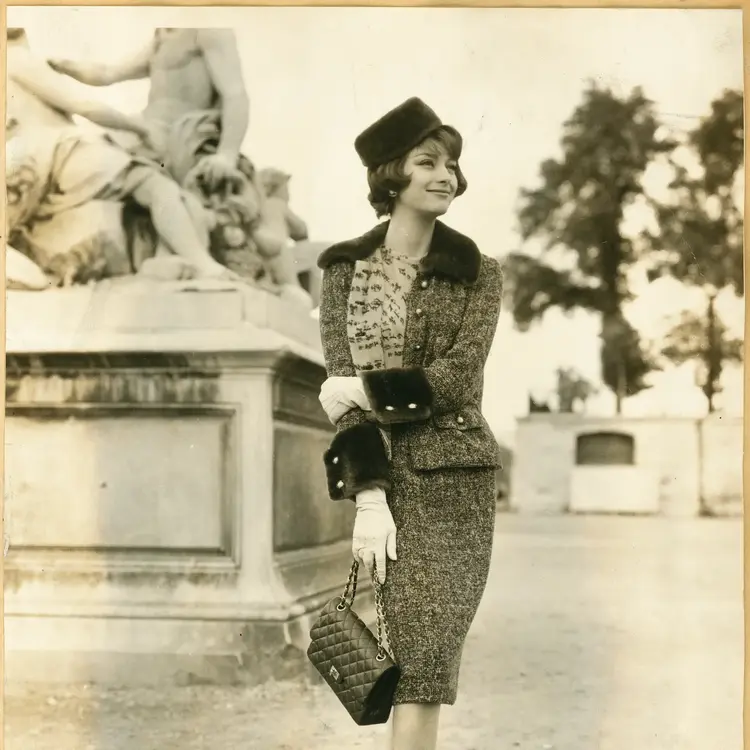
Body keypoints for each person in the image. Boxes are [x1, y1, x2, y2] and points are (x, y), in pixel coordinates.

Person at [315, 97, 504, 750]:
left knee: (427, 660)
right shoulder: (345, 271)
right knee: (410, 661)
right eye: (427, 162)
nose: (445, 174)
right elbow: (346, 408)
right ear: (391, 175)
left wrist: (361, 386)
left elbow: (456, 381)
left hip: (458, 484)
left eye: (451, 162)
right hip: (386, 483)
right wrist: (369, 497)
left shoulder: (479, 272)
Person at [47, 29, 306, 293]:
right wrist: (64, 67)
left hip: (184, 134)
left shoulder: (208, 30)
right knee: (86, 150)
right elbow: (107, 73)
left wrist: (227, 153)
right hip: (147, 129)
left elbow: (235, 94)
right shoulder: (162, 37)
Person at [6, 27, 233, 283]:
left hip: (41, 162)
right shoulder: (17, 59)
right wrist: (140, 128)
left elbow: (108, 73)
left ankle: (167, 258)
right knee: (155, 184)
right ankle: (202, 263)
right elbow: (85, 106)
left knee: (150, 179)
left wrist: (68, 67)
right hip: (64, 152)